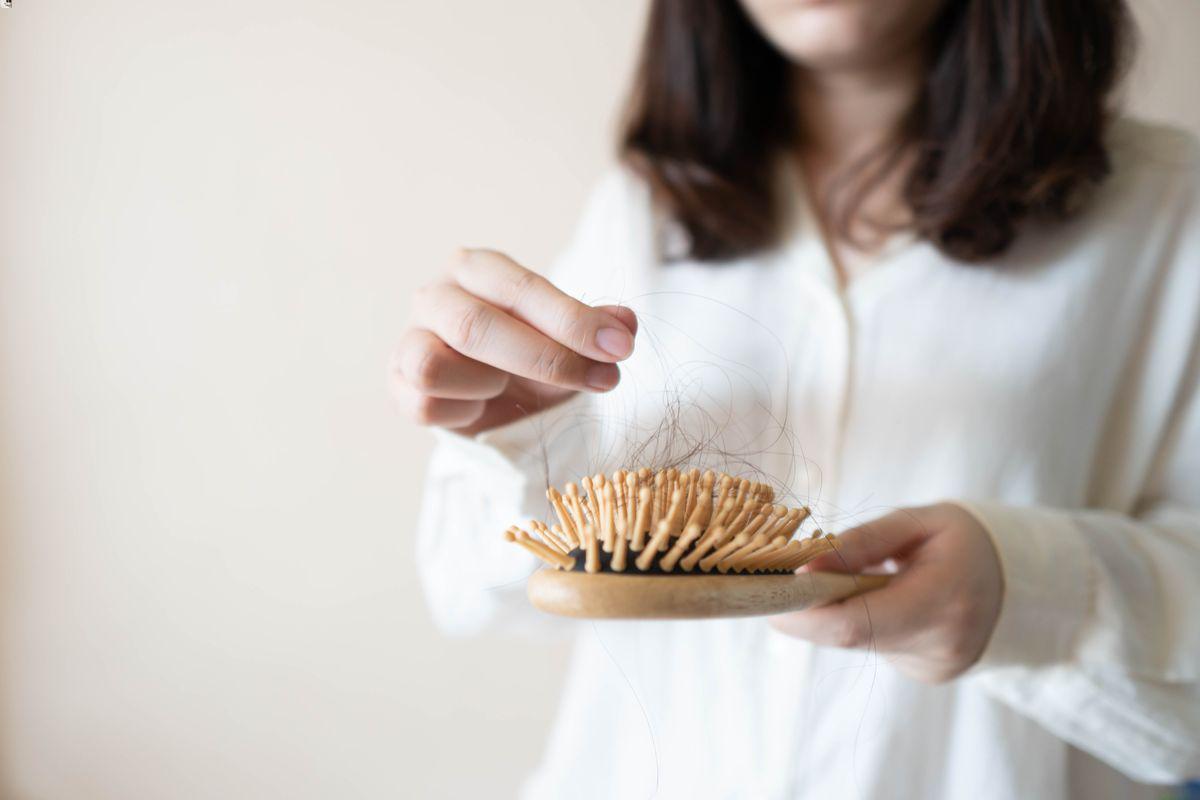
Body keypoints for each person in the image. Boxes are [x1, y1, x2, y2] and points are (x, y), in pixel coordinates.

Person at [392, 0, 1200, 797]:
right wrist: (522, 439)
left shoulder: (1172, 215)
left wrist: (1026, 595)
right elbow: (471, 594)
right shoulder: (643, 208)